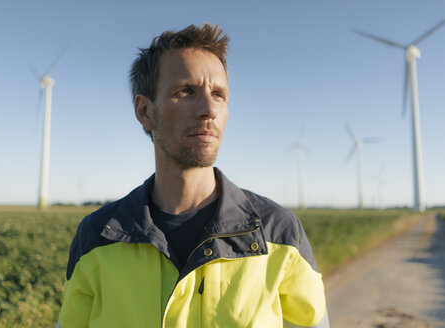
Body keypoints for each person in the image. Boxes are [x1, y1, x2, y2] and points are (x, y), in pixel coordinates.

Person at [57, 23, 329, 328]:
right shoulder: (97, 237)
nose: (208, 109)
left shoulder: (279, 233)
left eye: (219, 94)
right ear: (144, 111)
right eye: (186, 91)